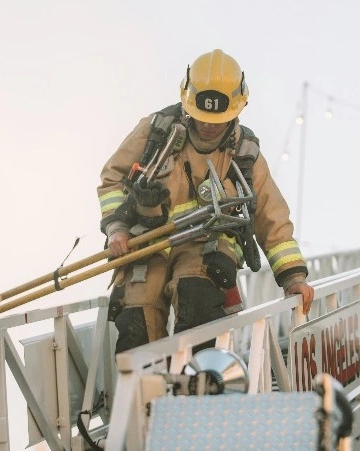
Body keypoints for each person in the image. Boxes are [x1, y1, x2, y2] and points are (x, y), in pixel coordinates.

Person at [97, 49, 315, 354]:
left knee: (196, 296)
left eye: (219, 119)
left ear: (238, 109)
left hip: (206, 245)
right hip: (146, 243)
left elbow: (271, 216)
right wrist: (117, 229)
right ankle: (144, 398)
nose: (209, 126)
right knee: (137, 316)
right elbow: (112, 179)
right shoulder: (155, 132)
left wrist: (293, 277)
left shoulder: (245, 153)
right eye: (202, 117)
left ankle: (198, 388)